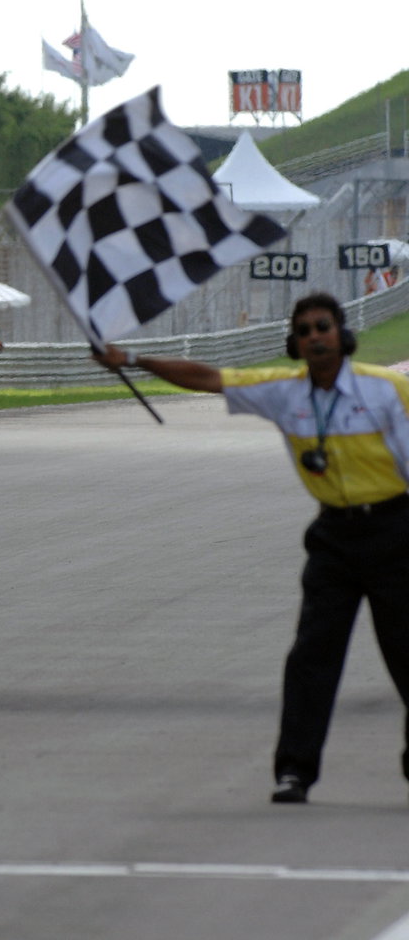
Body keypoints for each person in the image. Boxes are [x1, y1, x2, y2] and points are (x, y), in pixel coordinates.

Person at [95, 293, 409, 806]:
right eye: (304, 330)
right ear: (295, 343)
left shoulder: (387, 391)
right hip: (333, 538)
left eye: (322, 326)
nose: (314, 336)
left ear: (343, 334)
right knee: (311, 656)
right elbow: (207, 377)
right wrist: (131, 360)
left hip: (395, 529)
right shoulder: (284, 393)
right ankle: (294, 772)